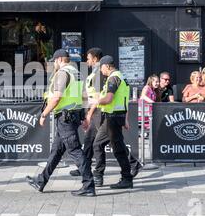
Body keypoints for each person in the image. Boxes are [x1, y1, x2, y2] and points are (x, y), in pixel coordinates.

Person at [26, 49, 96, 197]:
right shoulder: (77, 73)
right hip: (73, 115)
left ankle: (89, 185)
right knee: (56, 151)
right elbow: (84, 97)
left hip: (65, 117)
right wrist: (83, 117)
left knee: (75, 150)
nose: (53, 64)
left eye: (53, 61)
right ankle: (41, 180)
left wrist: (44, 114)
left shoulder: (63, 73)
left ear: (58, 60)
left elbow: (57, 97)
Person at [92, 55, 135, 189]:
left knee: (104, 145)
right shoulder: (121, 77)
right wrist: (126, 119)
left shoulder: (113, 78)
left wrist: (96, 101)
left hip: (112, 118)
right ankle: (128, 172)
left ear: (107, 66)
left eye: (101, 67)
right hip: (117, 117)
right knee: (117, 146)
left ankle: (102, 176)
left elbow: (109, 99)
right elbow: (124, 100)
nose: (101, 70)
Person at [69, 47, 105, 177]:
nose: (87, 60)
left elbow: (98, 96)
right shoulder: (95, 72)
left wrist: (89, 114)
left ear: (95, 59)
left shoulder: (98, 73)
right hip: (94, 110)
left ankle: (133, 164)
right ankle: (84, 167)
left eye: (88, 58)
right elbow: (90, 93)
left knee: (108, 141)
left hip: (98, 111)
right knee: (89, 141)